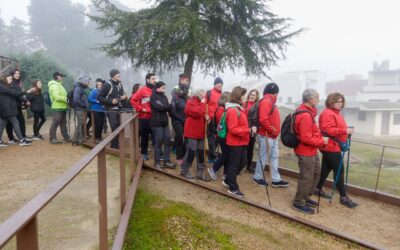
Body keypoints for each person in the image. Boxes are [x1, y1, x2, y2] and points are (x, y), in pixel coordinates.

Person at [316, 92, 358, 208]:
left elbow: (336, 128)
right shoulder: (327, 113)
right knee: (339, 171)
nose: (339, 104)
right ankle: (343, 197)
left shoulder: (336, 114)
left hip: (333, 146)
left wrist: (346, 131)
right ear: (330, 102)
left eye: (341, 102)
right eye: (337, 102)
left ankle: (317, 188)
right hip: (330, 146)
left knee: (326, 168)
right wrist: (345, 131)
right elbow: (327, 130)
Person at [292, 88, 328, 214]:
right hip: (305, 151)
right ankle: (298, 202)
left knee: (316, 173)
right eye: (317, 98)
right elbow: (305, 137)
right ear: (311, 99)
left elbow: (311, 132)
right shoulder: (305, 115)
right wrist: (321, 142)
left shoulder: (308, 112)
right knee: (306, 177)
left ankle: (306, 196)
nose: (318, 101)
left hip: (311, 150)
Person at [253, 83, 289, 188]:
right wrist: (272, 130)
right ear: (274, 93)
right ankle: (258, 177)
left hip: (272, 136)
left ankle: (276, 180)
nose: (276, 96)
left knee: (274, 157)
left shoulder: (270, 101)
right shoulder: (266, 101)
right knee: (263, 157)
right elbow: (263, 119)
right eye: (276, 94)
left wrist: (273, 132)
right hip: (266, 135)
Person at [181, 88, 210, 181]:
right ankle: (184, 170)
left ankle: (200, 172)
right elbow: (197, 113)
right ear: (198, 93)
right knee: (191, 151)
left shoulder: (203, 103)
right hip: (191, 131)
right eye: (202, 93)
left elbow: (204, 113)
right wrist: (202, 104)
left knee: (201, 152)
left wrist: (207, 117)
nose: (204, 95)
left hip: (201, 131)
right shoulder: (190, 102)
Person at [225, 86, 250, 197]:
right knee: (234, 165)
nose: (245, 98)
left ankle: (228, 180)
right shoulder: (233, 110)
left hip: (241, 141)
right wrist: (247, 130)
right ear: (238, 97)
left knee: (242, 162)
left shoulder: (239, 109)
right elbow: (233, 129)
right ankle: (232, 188)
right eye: (243, 95)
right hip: (235, 142)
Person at [97, 69, 128, 149]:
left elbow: (121, 95)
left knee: (119, 127)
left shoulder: (120, 84)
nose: (119, 75)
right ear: (113, 75)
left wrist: (123, 97)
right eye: (118, 74)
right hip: (111, 109)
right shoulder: (107, 85)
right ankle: (115, 146)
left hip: (119, 108)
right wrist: (111, 101)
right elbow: (99, 97)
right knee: (114, 127)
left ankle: (114, 144)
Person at [0, 73, 33, 146]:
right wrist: (27, 91)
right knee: (15, 123)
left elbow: (15, 94)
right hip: (6, 109)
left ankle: (1, 141)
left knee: (2, 125)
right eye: (10, 79)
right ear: (5, 78)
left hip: (8, 109)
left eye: (11, 79)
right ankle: (21, 140)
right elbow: (15, 93)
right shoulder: (2, 86)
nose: (11, 80)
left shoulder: (7, 86)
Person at [150, 81, 175, 169]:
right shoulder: (153, 97)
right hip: (157, 124)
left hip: (165, 123)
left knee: (168, 142)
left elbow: (167, 107)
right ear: (157, 88)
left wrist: (171, 109)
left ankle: (166, 161)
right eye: (163, 88)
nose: (164, 89)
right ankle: (156, 163)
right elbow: (159, 108)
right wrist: (170, 106)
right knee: (158, 143)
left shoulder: (164, 97)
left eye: (165, 88)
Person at [130, 73, 156, 159]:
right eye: (152, 79)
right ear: (148, 80)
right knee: (144, 136)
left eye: (155, 78)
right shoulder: (142, 90)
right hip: (144, 117)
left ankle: (158, 153)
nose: (154, 80)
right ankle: (144, 153)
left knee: (156, 135)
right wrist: (141, 109)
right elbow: (133, 100)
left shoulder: (156, 90)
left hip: (155, 117)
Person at [207, 92, 230, 182]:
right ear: (226, 99)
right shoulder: (221, 109)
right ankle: (213, 169)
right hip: (222, 136)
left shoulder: (223, 109)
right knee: (226, 154)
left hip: (224, 135)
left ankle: (225, 173)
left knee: (227, 154)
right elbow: (224, 123)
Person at [48, 71, 72, 144]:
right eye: (61, 76)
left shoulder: (59, 85)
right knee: (56, 122)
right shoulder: (54, 85)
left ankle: (66, 138)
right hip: (57, 107)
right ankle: (52, 138)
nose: (62, 78)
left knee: (63, 123)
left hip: (62, 107)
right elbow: (57, 97)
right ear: (57, 77)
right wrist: (67, 100)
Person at [6, 69, 28, 142]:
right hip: (12, 105)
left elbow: (19, 94)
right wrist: (25, 100)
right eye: (16, 73)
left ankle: (16, 137)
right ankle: (17, 137)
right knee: (14, 122)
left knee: (13, 122)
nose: (18, 74)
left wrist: (24, 101)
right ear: (12, 74)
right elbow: (16, 94)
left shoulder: (17, 83)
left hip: (17, 105)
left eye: (19, 73)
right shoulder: (12, 83)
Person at [170, 81, 190, 165]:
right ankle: (179, 157)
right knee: (179, 137)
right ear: (180, 89)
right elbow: (172, 111)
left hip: (185, 121)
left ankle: (184, 154)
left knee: (187, 138)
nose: (185, 91)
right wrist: (181, 119)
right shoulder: (175, 98)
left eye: (187, 89)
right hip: (176, 120)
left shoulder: (187, 98)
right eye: (183, 89)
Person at [206, 77, 223, 163]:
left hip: (219, 119)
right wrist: (207, 116)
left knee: (216, 138)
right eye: (218, 83)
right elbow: (205, 105)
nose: (220, 85)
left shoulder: (222, 95)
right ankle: (212, 156)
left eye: (221, 84)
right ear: (215, 84)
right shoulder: (209, 93)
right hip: (211, 119)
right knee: (211, 139)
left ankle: (211, 156)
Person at [243, 89, 259, 173]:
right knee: (242, 148)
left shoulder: (257, 106)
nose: (252, 96)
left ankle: (248, 166)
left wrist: (254, 128)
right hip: (243, 129)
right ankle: (241, 165)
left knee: (250, 149)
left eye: (254, 95)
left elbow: (256, 119)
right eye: (251, 94)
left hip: (251, 129)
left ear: (256, 97)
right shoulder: (244, 103)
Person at [71, 76, 91, 146]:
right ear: (84, 82)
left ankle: (75, 140)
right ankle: (80, 140)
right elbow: (76, 99)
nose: (88, 83)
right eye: (88, 82)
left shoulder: (81, 88)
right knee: (81, 124)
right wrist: (83, 105)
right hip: (80, 110)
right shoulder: (78, 88)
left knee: (80, 124)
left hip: (81, 109)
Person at [88, 78, 105, 143]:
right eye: (98, 85)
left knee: (101, 124)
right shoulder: (94, 91)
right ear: (96, 85)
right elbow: (89, 98)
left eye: (100, 85)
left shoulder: (103, 92)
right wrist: (96, 101)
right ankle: (96, 138)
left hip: (102, 110)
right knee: (97, 124)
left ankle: (99, 137)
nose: (99, 86)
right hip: (95, 109)